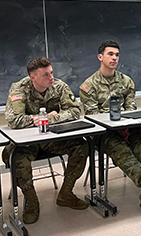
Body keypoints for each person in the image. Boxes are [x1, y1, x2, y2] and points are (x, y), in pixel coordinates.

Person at [2, 57, 89, 224]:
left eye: (51, 72)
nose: (51, 77)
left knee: (82, 146)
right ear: (33, 77)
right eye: (45, 75)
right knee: (18, 160)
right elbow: (14, 121)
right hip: (26, 143)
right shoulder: (19, 89)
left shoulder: (59, 86)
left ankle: (66, 193)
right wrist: (41, 118)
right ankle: (32, 202)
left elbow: (75, 111)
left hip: (51, 140)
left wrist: (51, 120)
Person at [79, 41, 141, 209]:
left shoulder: (126, 81)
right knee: (124, 154)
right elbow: (93, 117)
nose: (114, 58)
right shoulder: (88, 86)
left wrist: (125, 125)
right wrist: (116, 126)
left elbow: (131, 108)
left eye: (117, 55)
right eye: (110, 54)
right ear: (100, 57)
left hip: (128, 128)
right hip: (105, 134)